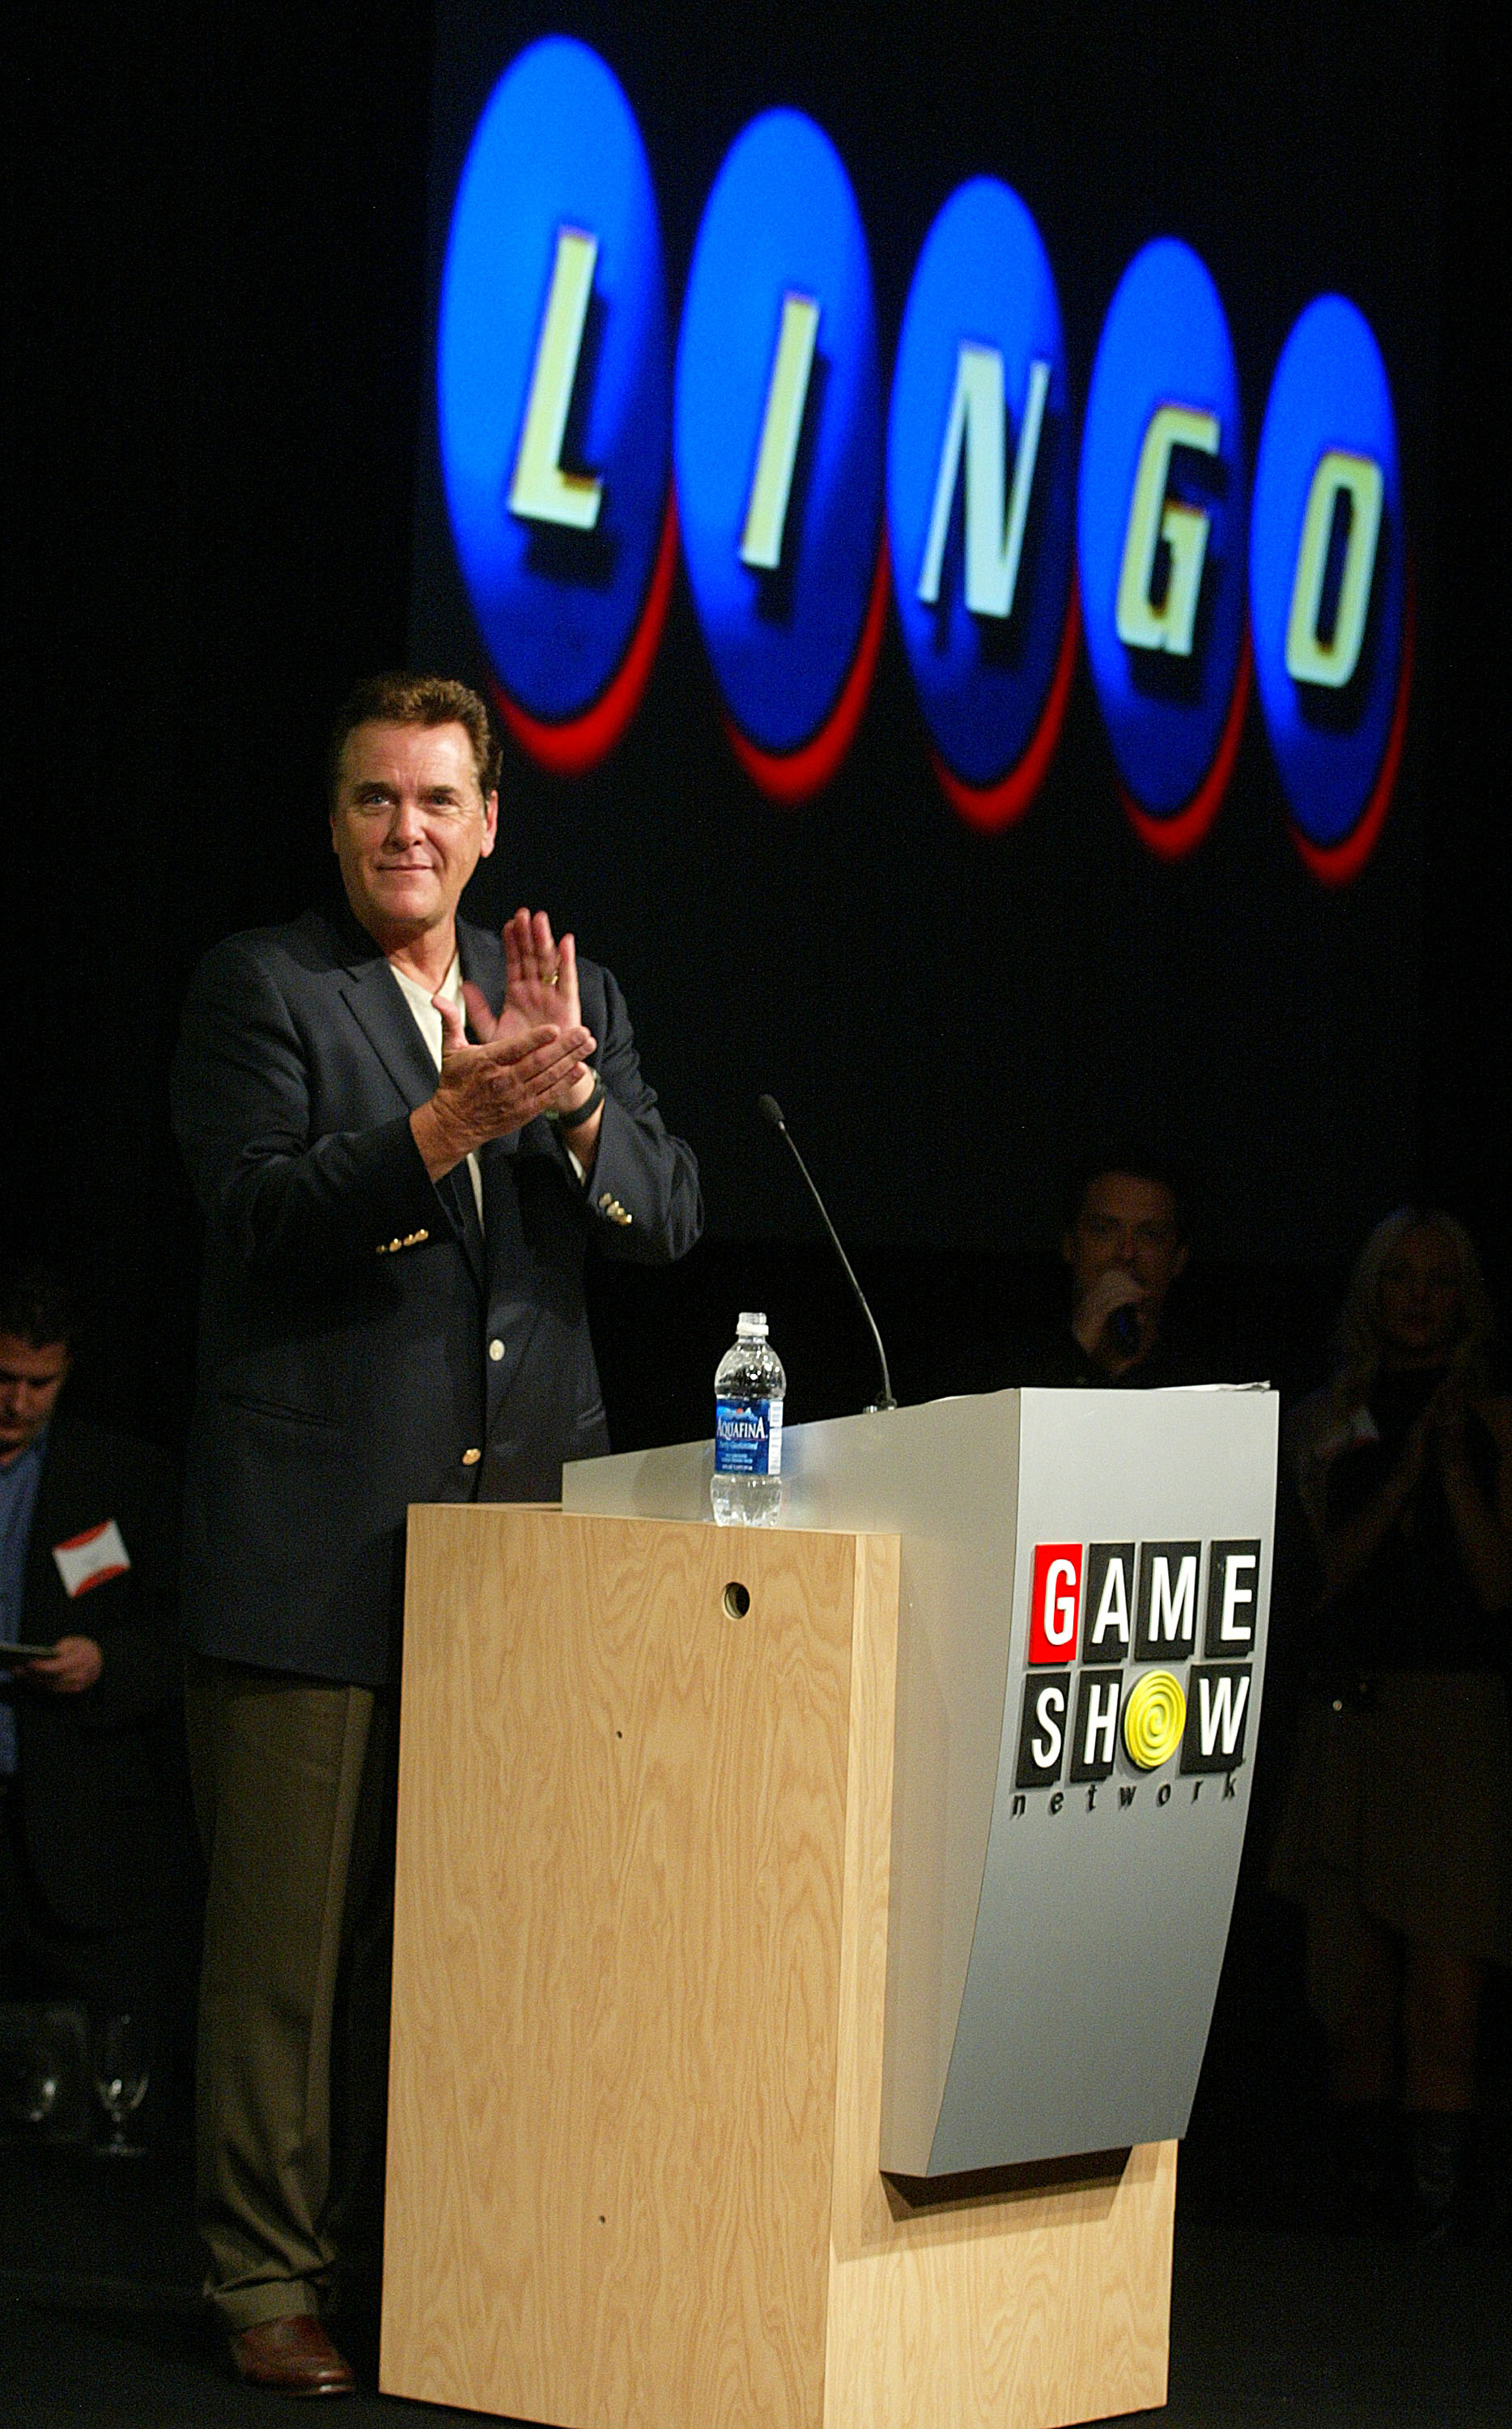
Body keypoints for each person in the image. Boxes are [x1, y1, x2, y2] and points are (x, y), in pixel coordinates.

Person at [171, 673, 702, 2393]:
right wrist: (447, 1121)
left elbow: (665, 1224)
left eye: (435, 801)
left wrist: (567, 1107)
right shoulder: (265, 988)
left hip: (515, 1563)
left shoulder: (568, 994)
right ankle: (267, 2283)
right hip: (314, 1548)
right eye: (372, 800)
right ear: (337, 824)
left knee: (475, 1943)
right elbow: (257, 1216)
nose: (406, 829)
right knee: (287, 1966)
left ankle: (451, 2267)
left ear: (489, 826)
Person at [1271, 1209, 1512, 2236]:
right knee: (1349, 1982)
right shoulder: (1329, 1413)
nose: (1417, 1296)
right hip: (1347, 1709)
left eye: (1439, 1279)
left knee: (1444, 1981)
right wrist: (1397, 1469)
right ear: (1371, 1290)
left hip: (1453, 1718)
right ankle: (1356, 2211)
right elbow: (1320, 1574)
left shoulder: (1499, 1419)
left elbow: (1498, 1591)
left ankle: (1437, 2213)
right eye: (1398, 1277)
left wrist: (1449, 1462)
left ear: (1464, 1296)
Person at [0, 1261, 181, 2056]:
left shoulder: (116, 1478)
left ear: (67, 1370)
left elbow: (185, 1633)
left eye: (38, 1384)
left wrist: (104, 1661)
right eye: (3, 1378)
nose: (16, 1402)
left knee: (85, 2078)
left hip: (71, 1820)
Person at [1025, 1151, 1199, 1386]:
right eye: (1103, 1230)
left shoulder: (1201, 1377)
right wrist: (1076, 1349)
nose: (1126, 1253)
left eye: (1150, 1234)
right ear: (1070, 1246)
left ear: (1178, 1258)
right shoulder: (1014, 1357)